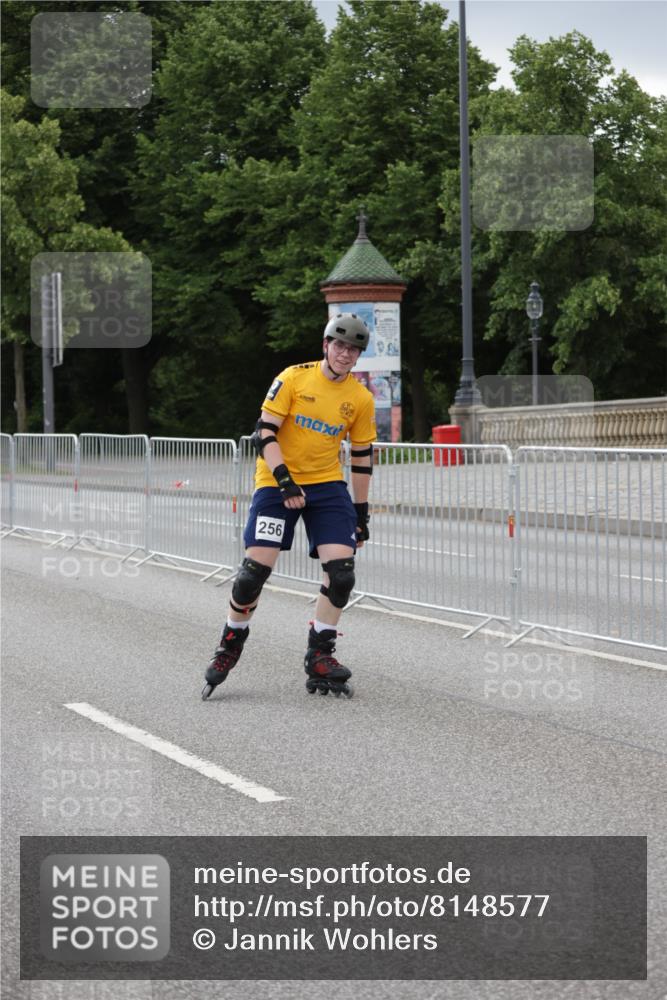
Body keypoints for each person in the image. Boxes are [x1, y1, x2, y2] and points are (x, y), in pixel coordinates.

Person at [202, 313, 376, 700]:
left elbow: (362, 457)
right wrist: (284, 480)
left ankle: (320, 653)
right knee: (252, 574)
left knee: (342, 573)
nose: (345, 354)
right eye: (339, 345)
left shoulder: (360, 398)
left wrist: (361, 514)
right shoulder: (294, 378)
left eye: (353, 350)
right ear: (325, 345)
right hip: (277, 480)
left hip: (327, 486)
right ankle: (230, 642)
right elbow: (264, 432)